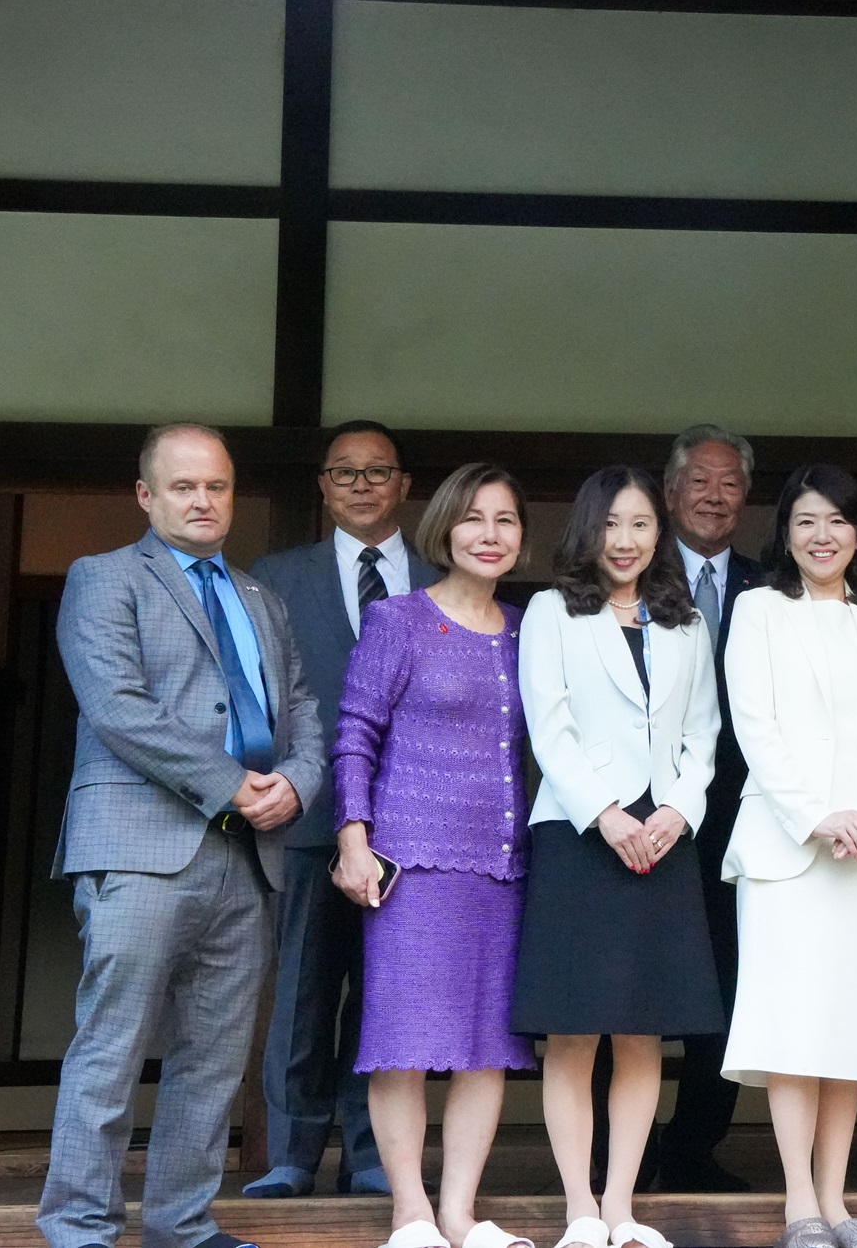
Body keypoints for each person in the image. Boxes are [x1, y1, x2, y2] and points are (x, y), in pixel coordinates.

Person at [40, 422, 325, 1248]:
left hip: (248, 857)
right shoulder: (103, 578)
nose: (203, 501)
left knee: (213, 1058)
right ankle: (80, 1227)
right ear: (146, 495)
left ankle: (181, 1226)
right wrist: (230, 782)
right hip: (140, 847)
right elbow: (119, 706)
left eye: (218, 486)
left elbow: (301, 708)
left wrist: (297, 784)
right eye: (183, 487)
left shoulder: (260, 598)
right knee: (113, 1045)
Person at [513, 466, 726, 1248]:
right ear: (587, 531)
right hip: (579, 835)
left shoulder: (686, 619)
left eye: (640, 524)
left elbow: (704, 733)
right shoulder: (550, 610)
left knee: (643, 1032)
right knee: (575, 1030)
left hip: (665, 837)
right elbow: (550, 727)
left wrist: (677, 810)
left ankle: (621, 1207)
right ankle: (578, 1209)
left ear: (657, 532)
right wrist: (606, 814)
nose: (626, 540)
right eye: (611, 525)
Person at [331, 464, 538, 1248]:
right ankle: (409, 1211)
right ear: (445, 528)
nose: (490, 534)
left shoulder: (528, 628)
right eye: (474, 519)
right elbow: (354, 733)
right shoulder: (400, 620)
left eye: (507, 520)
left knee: (486, 1051)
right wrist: (355, 839)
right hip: (410, 863)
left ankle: (458, 1211)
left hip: (504, 863)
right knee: (406, 1044)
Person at [720, 464, 857, 1248]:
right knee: (793, 1027)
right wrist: (819, 816)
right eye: (805, 521)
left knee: (851, 1030)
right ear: (785, 534)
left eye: (837, 521)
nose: (821, 535)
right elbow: (756, 728)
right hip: (788, 852)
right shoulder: (759, 611)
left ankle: (838, 1202)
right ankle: (799, 1203)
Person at [247, 419, 437, 1200]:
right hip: (307, 813)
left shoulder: (443, 576)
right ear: (322, 487)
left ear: (405, 485)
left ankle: (371, 1155)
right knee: (301, 988)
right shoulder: (273, 577)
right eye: (344, 472)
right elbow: (249, 697)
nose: (362, 484)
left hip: (414, 820)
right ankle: (290, 1153)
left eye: (378, 471)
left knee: (387, 994)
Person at [656, 423, 763, 1193]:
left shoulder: (774, 584)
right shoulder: (627, 568)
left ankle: (695, 1145)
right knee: (625, 984)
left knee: (727, 983)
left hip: (744, 817)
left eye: (729, 484)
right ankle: (605, 1151)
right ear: (670, 492)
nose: (715, 496)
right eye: (700, 481)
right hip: (643, 817)